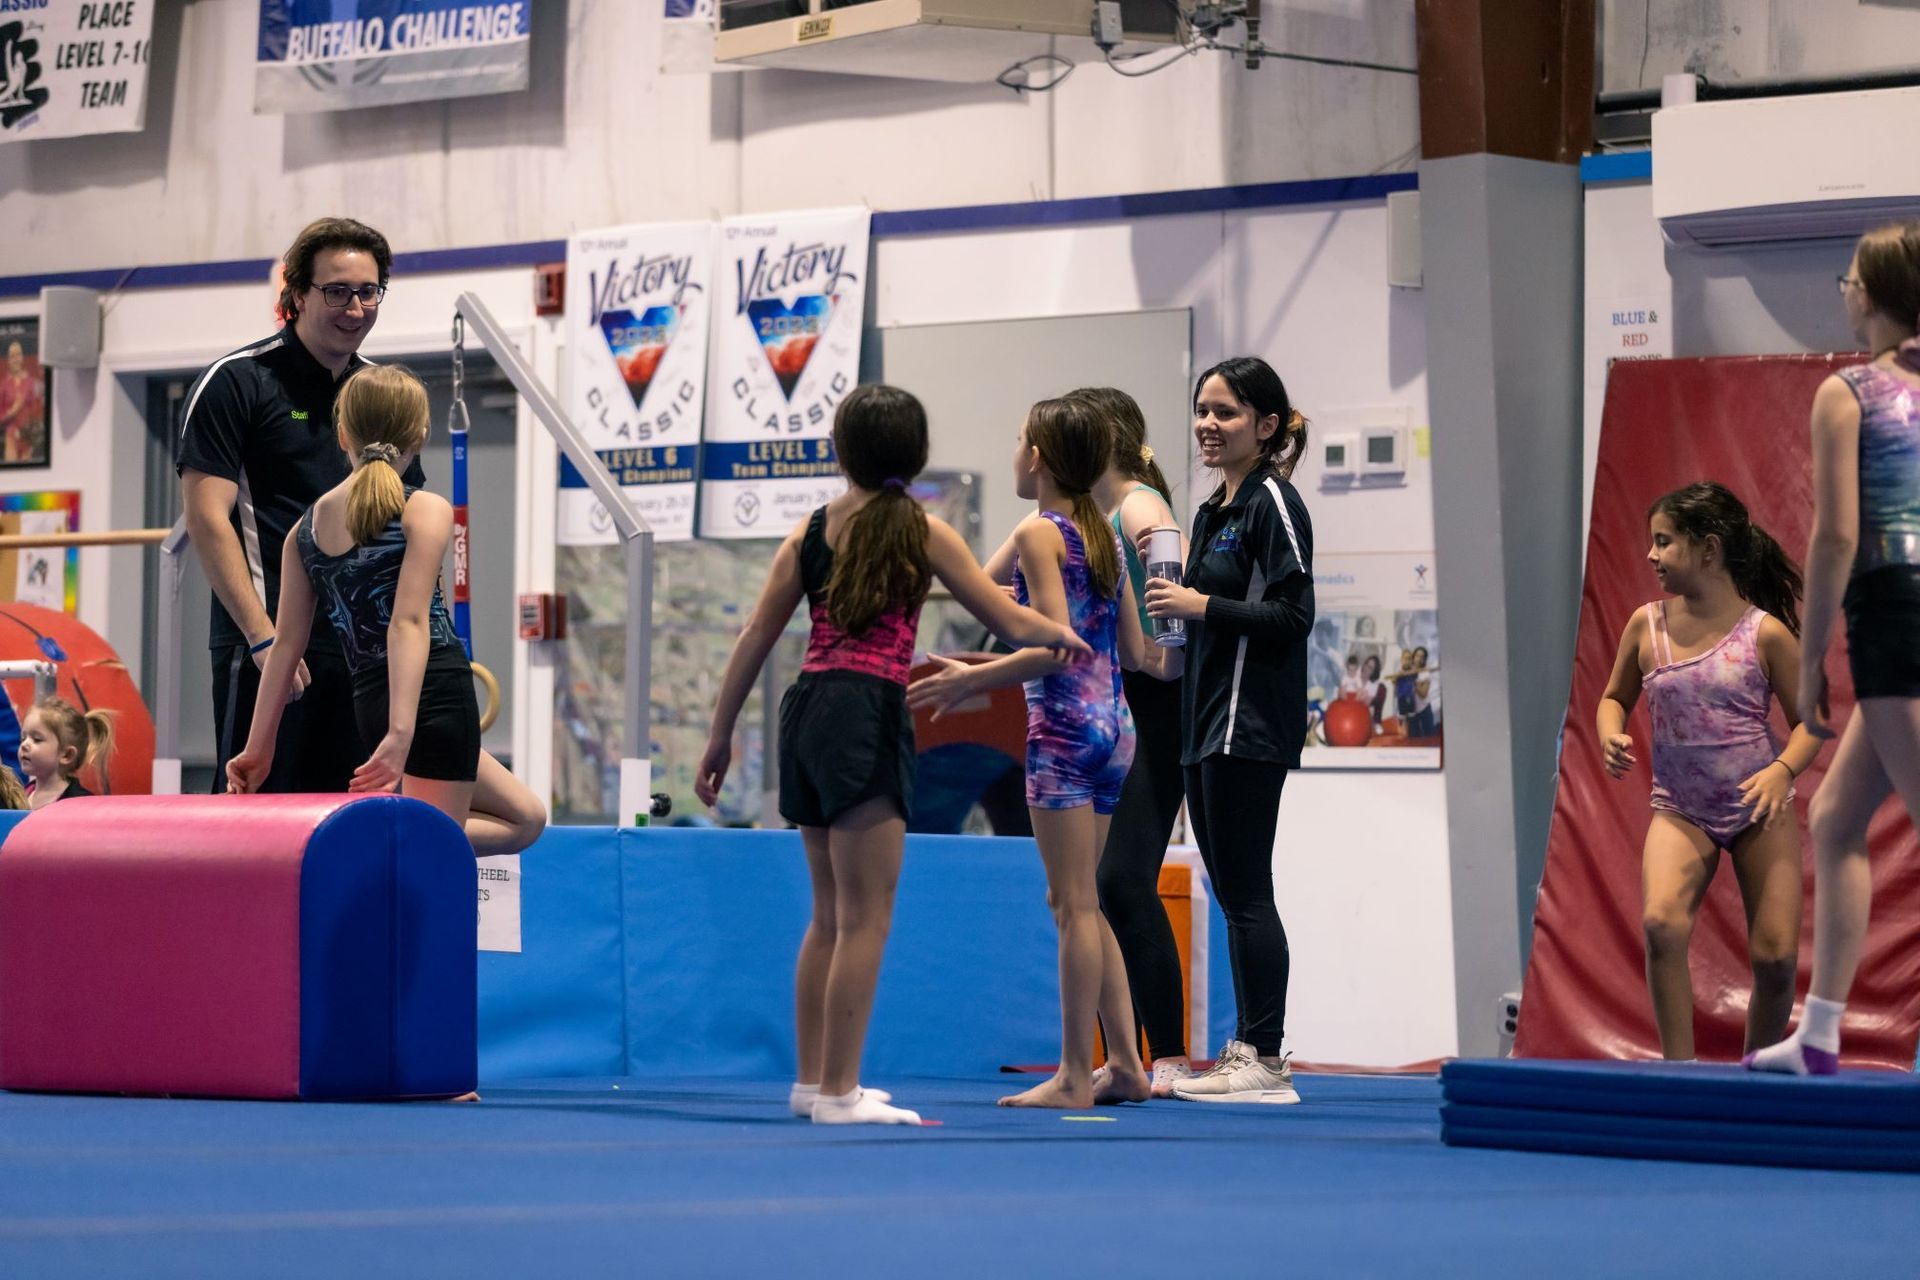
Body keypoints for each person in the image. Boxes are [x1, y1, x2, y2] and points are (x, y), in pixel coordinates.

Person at [695, 384, 1090, 1125]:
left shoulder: (809, 532)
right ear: (916, 454)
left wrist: (719, 736)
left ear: (841, 452)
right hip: (867, 709)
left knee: (828, 914)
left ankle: (815, 1082)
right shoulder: (924, 531)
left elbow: (755, 634)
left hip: (807, 710)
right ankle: (840, 1095)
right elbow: (1002, 614)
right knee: (867, 916)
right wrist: (1059, 635)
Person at [912, 396, 1182, 1109]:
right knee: (1086, 902)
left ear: (1036, 457)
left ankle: (1071, 1074)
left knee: (1069, 905)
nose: (1013, 452)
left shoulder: (1041, 534)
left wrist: (979, 675)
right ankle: (1125, 1063)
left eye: (1019, 440)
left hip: (1063, 731)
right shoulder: (1103, 538)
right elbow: (1132, 650)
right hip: (1116, 728)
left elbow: (1052, 645)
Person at [226, 365, 546, 860]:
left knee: (526, 817)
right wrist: (403, 730)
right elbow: (408, 622)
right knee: (429, 851)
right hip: (430, 691)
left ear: (342, 434)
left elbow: (285, 646)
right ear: (421, 433)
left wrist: (258, 747)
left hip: (372, 699)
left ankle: (379, 845)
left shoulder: (303, 532)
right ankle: (367, 851)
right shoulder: (425, 509)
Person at [1749, 221, 1920, 1076]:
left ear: (1878, 292)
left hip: (1897, 616)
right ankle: (1817, 1034)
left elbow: (1835, 540)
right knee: (1835, 817)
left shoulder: (1850, 393)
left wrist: (1813, 659)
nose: (1843, 291)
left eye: (1849, 278)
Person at [178, 217, 426, 794]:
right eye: (336, 291)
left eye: (369, 291)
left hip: (363, 654)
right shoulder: (238, 382)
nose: (355, 307)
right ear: (295, 294)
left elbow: (403, 527)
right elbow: (208, 518)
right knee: (255, 816)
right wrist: (264, 638)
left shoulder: (379, 395)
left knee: (351, 817)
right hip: (272, 646)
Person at [1142, 355, 1313, 1104]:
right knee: (1230, 890)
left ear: (1265, 427)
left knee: (1248, 891)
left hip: (1251, 719)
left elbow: (1294, 614)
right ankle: (1246, 1045)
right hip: (1203, 722)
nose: (1209, 426)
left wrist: (1199, 607)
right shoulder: (1213, 509)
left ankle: (1267, 1058)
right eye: (1202, 412)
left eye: (1227, 414)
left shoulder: (1272, 500)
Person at [1597, 482, 1816, 1061]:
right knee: (1661, 924)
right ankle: (1679, 1071)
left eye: (1663, 542)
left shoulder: (1764, 632)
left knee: (1774, 958)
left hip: (1756, 807)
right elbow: (1613, 696)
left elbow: (1812, 722)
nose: (1651, 555)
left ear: (1708, 549)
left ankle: (1758, 1073)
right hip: (1680, 806)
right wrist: (1609, 731)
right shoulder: (1647, 626)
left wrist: (1782, 772)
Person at [1074, 386, 1194, 1095]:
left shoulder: (1138, 501)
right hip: (1122, 706)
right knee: (1101, 886)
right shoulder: (1092, 514)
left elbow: (1166, 551)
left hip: (1156, 706)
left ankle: (1169, 1056)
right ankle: (1127, 1054)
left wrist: (1168, 653)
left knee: (1121, 880)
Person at [18, 696, 114, 808]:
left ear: (67, 755)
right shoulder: (22, 795)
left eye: (37, 739)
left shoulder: (81, 803)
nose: (24, 745)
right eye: (23, 738)